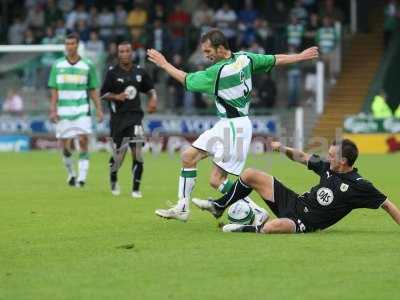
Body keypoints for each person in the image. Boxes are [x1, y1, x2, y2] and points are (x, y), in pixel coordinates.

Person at [147, 28, 319, 221]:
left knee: (216, 180)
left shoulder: (219, 72)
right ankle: (183, 208)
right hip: (226, 124)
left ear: (220, 49)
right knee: (188, 157)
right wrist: (300, 56)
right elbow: (274, 59)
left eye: (208, 51)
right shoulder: (245, 58)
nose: (205, 56)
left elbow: (187, 80)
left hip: (235, 127)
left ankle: (255, 211)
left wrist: (164, 63)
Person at [194, 139, 400, 234]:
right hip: (294, 201)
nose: (328, 157)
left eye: (332, 155)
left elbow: (388, 204)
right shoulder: (328, 168)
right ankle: (220, 206)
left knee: (274, 227)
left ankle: (245, 228)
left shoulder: (360, 186)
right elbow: (302, 157)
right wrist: (283, 149)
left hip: (303, 222)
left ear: (344, 161)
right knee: (250, 174)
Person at [101, 41, 158, 198]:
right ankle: (113, 179)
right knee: (119, 156)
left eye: (127, 51)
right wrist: (116, 96)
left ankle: (136, 189)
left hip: (135, 117)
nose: (125, 53)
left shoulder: (140, 71)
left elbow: (150, 89)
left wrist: (153, 99)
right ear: (118, 54)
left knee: (137, 152)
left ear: (132, 53)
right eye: (122, 51)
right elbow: (103, 94)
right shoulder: (112, 72)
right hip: (118, 119)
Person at [48, 33, 103, 187]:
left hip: (82, 109)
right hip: (63, 110)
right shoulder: (57, 65)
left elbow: (93, 89)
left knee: (83, 141)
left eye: (72, 43)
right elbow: (54, 90)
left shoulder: (87, 65)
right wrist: (52, 110)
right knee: (65, 147)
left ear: (77, 45)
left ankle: (82, 179)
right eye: (67, 44)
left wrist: (98, 109)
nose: (70, 46)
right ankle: (71, 173)